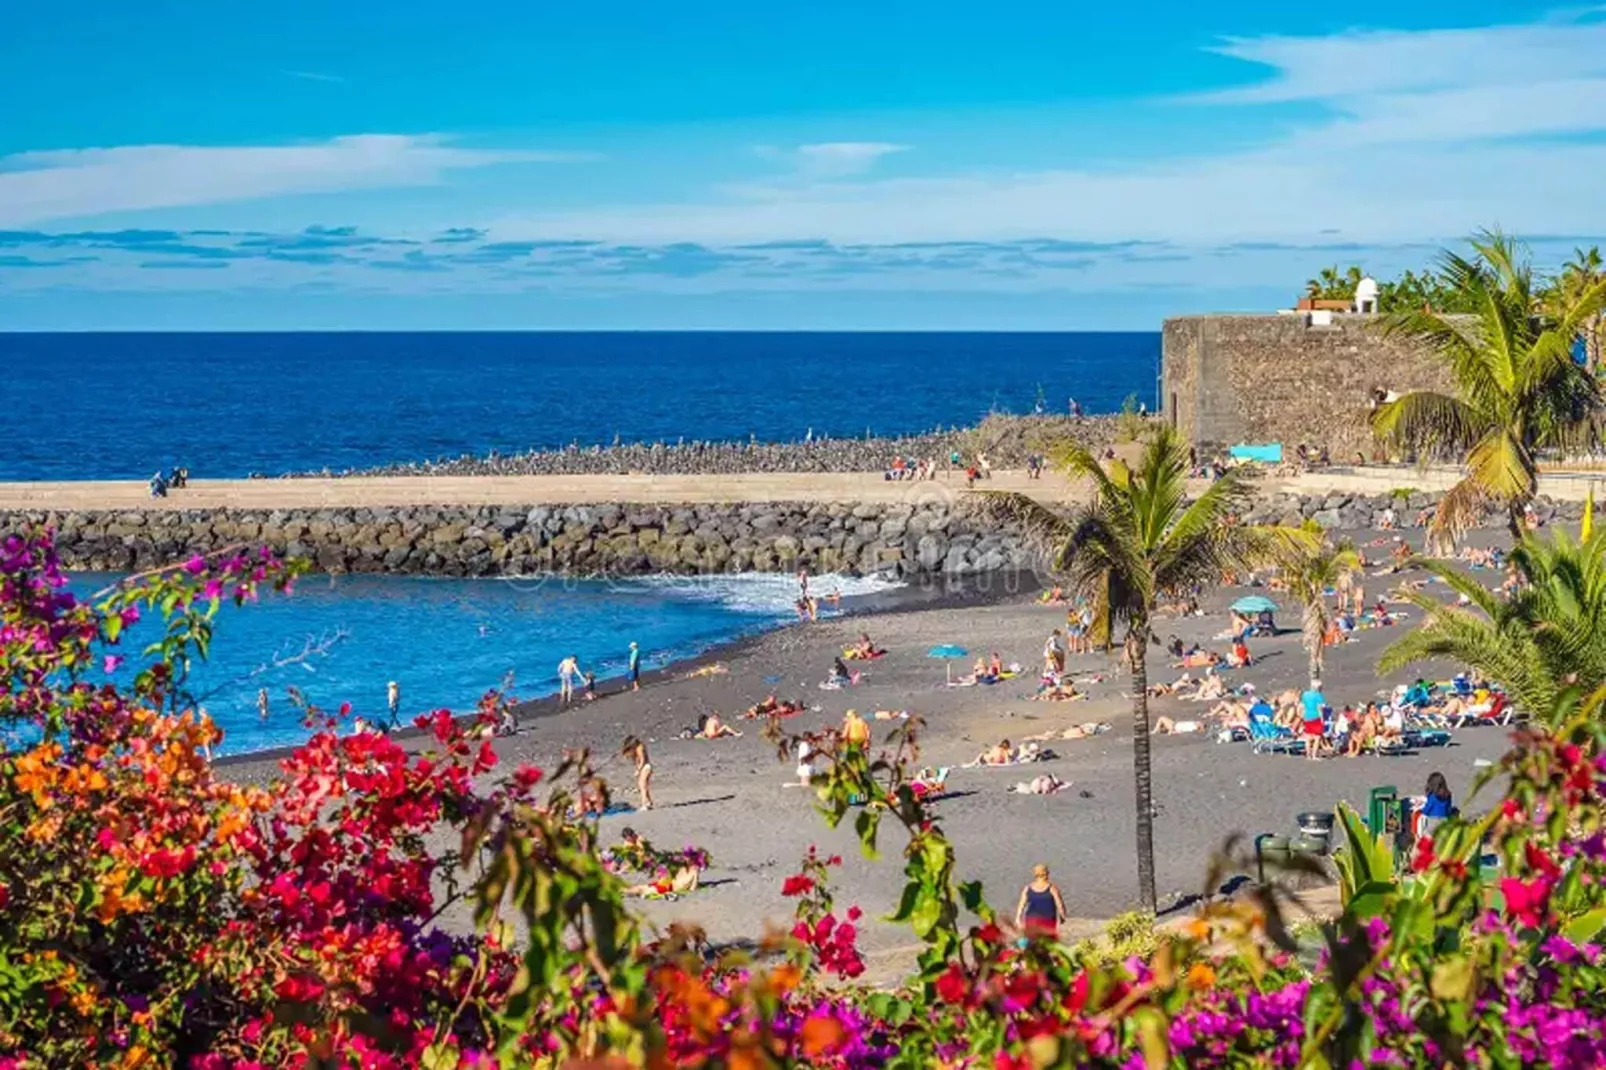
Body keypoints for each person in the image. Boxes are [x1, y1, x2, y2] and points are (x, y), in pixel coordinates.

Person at [1015, 864, 1068, 939]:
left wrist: (1018, 918)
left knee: (1033, 942)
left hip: (1031, 919)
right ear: (1046, 873)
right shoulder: (1052, 888)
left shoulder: (1028, 888)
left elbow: (1021, 905)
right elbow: (1060, 905)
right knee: (1048, 943)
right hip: (1048, 920)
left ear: (1035, 874)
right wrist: (1063, 917)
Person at [1419, 772, 1456, 838]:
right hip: (1444, 821)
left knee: (1426, 836)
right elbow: (1448, 809)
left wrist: (1421, 809)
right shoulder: (1447, 795)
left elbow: (1427, 810)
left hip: (1433, 821)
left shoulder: (1432, 796)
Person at [1299, 679, 1329, 760]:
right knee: (1317, 737)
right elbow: (1320, 709)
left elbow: (1302, 706)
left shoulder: (1305, 694)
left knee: (1307, 737)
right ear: (1318, 687)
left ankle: (1308, 755)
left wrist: (1302, 716)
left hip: (1306, 717)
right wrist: (1322, 719)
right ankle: (1314, 756)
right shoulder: (1318, 695)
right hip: (1315, 717)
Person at [623, 737, 654, 810]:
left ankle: (644, 804)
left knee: (642, 785)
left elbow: (643, 760)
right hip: (643, 768)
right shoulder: (635, 749)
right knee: (643, 785)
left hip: (646, 767)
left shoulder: (640, 748)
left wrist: (638, 770)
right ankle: (649, 802)